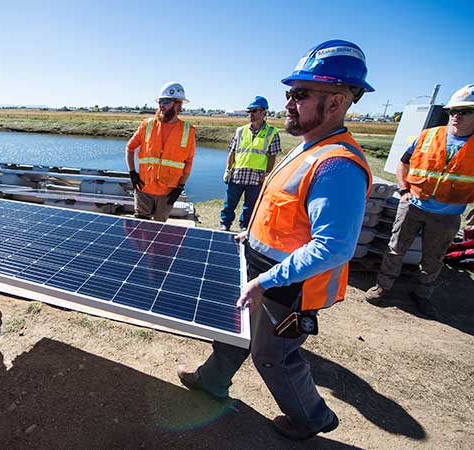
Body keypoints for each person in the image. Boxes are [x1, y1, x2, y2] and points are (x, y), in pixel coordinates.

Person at [176, 40, 375, 440]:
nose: (288, 102)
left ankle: (311, 419)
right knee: (234, 328)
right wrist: (251, 235)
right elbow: (283, 210)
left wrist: (265, 281)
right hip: (261, 266)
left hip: (288, 283)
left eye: (300, 95)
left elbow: (333, 247)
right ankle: (212, 381)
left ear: (335, 103)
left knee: (273, 355)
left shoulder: (337, 164)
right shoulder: (307, 148)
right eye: (290, 93)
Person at [365, 83, 474, 318]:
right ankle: (383, 287)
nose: (456, 116)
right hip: (413, 205)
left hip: (447, 214)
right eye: (453, 111)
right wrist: (404, 189)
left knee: (433, 259)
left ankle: (422, 295)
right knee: (395, 248)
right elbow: (403, 162)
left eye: (464, 112)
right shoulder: (429, 135)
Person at [126, 82, 196, 222]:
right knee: (140, 226)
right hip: (144, 190)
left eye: (166, 101)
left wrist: (180, 187)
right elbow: (130, 148)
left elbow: (188, 162)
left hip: (168, 194)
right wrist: (133, 173)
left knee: (160, 230)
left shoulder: (188, 131)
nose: (161, 105)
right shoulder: (148, 125)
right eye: (160, 101)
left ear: (178, 104)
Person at [220, 96, 281, 231]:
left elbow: (272, 156)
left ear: (264, 112)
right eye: (250, 111)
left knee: (250, 206)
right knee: (229, 203)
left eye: (254, 110)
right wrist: (227, 170)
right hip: (237, 175)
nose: (251, 114)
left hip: (256, 178)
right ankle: (225, 224)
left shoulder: (272, 133)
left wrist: (267, 175)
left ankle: (245, 227)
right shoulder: (240, 131)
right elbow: (232, 152)